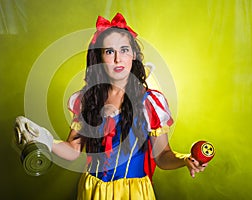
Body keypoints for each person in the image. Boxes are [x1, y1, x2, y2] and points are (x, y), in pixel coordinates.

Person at [15, 13, 208, 200]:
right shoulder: (86, 100)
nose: (117, 59)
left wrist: (184, 160)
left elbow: (163, 157)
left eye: (124, 50)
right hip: (93, 190)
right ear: (99, 58)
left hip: (133, 193)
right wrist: (46, 139)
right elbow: (73, 150)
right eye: (109, 51)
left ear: (133, 54)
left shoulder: (150, 103)